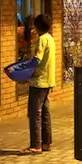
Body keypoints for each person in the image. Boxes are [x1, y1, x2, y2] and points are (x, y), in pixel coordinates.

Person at [24, 14, 55, 155]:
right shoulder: (50, 39)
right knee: (45, 113)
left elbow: (37, 58)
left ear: (37, 27)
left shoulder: (42, 39)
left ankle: (35, 145)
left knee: (35, 114)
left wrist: (24, 68)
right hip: (48, 80)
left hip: (38, 81)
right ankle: (46, 143)